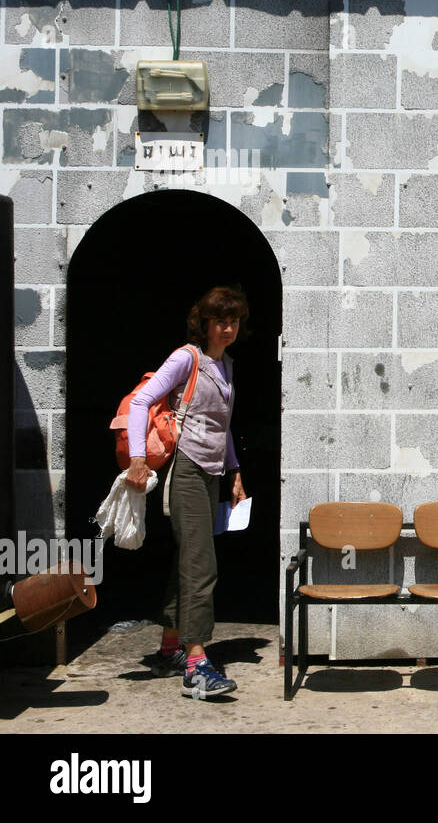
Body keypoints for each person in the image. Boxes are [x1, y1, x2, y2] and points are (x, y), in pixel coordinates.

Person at [125, 287, 249, 699]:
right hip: (187, 469)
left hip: (212, 471)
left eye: (233, 320)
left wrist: (234, 471)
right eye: (221, 320)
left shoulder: (226, 365)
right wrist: (138, 459)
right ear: (206, 323)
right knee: (201, 564)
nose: (228, 327)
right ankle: (197, 663)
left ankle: (168, 649)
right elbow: (142, 401)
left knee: (188, 557)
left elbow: (222, 425)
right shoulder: (188, 358)